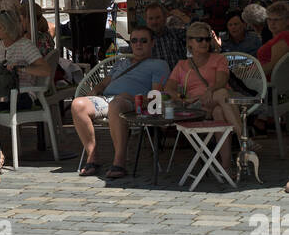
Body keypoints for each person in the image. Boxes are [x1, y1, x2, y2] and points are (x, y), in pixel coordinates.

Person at [72, 26, 169, 179]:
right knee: (77, 105)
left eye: (144, 41)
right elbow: (103, 84)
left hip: (132, 102)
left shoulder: (158, 64)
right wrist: (94, 91)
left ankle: (119, 161)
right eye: (134, 40)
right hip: (107, 99)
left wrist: (132, 97)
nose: (138, 44)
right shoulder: (121, 63)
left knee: (116, 104)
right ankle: (93, 157)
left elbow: (155, 96)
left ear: (152, 43)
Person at [163, 21, 244, 171]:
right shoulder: (182, 65)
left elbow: (222, 80)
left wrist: (210, 90)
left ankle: (226, 166)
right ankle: (243, 139)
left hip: (218, 102)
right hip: (196, 106)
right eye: (199, 39)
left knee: (219, 109)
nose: (204, 42)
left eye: (207, 39)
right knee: (221, 95)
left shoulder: (219, 59)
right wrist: (183, 98)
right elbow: (168, 88)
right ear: (189, 42)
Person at [256, 0, 289, 78]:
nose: (272, 23)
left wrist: (249, 73)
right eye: (269, 19)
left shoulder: (284, 36)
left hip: (269, 85)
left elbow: (273, 66)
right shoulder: (275, 37)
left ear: (287, 21)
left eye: (276, 20)